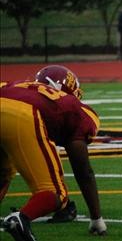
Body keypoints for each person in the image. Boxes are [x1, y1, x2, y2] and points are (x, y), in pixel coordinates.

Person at [0, 65, 107, 240]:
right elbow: (83, 170)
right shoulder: (71, 105)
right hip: (24, 114)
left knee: (3, 172)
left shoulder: (19, 85)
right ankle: (20, 219)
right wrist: (96, 217)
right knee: (56, 193)